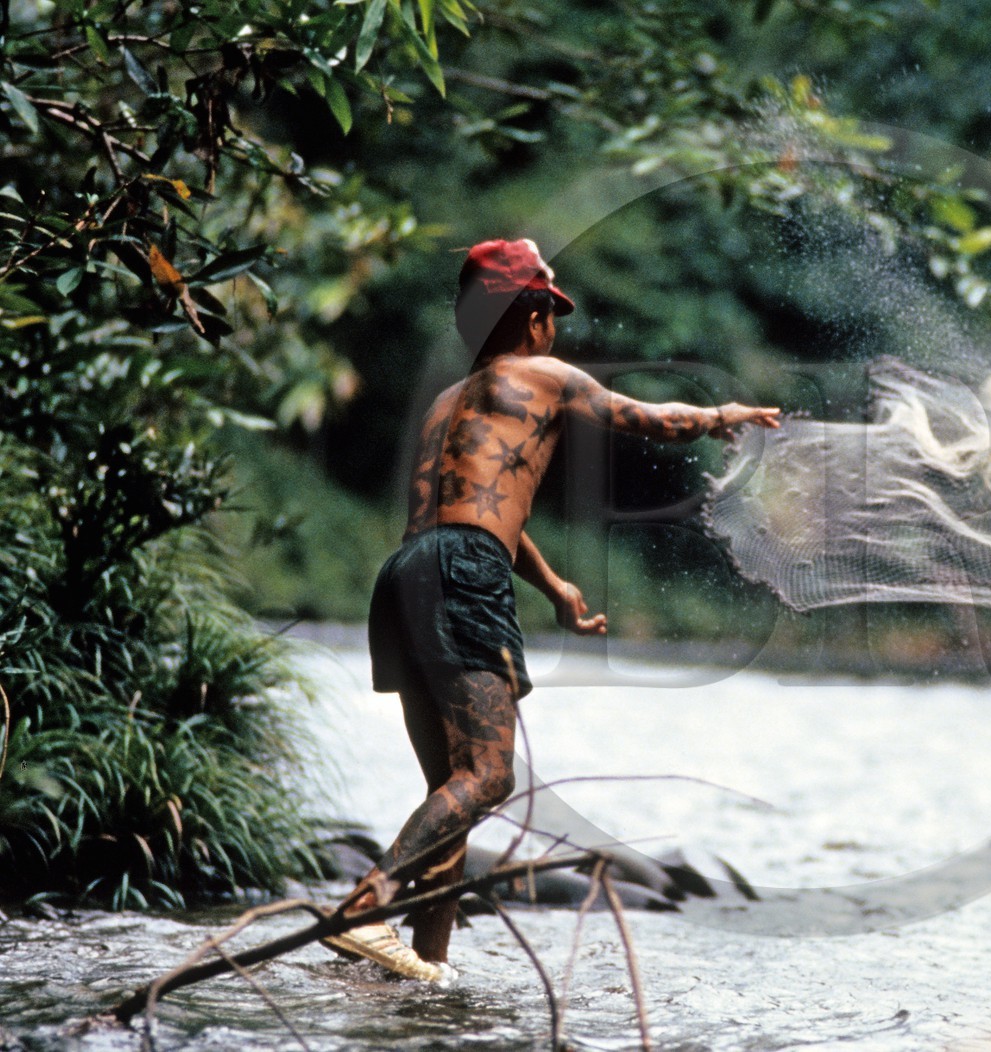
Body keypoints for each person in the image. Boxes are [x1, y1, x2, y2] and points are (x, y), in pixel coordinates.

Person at [323, 238, 780, 981]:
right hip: (464, 573)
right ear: (531, 314)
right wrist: (722, 412)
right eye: (552, 314)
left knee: (455, 793)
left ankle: (420, 964)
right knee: (489, 777)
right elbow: (643, 416)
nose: (556, 330)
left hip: (406, 575)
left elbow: (476, 508)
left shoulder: (446, 405)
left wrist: (555, 586)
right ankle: (363, 905)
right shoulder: (544, 375)